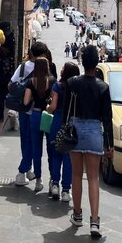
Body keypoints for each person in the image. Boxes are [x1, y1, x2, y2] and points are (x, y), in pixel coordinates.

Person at [63, 45, 114, 239]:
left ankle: (77, 215)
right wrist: (110, 144)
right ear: (97, 63)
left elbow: (66, 111)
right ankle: (94, 221)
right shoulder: (103, 87)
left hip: (75, 130)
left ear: (83, 63)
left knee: (77, 175)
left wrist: (63, 131)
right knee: (93, 177)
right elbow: (107, 118)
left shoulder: (72, 83)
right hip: (94, 131)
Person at [10, 41, 51, 186]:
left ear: (31, 53)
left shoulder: (23, 67)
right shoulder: (47, 68)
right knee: (36, 143)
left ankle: (25, 169)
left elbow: (11, 84)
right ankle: (25, 170)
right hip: (40, 112)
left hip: (25, 111)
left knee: (26, 141)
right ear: (44, 54)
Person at [47, 61, 80, 202]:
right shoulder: (77, 88)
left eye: (63, 68)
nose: (61, 70)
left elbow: (53, 106)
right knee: (68, 158)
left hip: (57, 121)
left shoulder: (57, 86)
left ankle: (55, 184)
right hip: (71, 123)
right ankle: (66, 190)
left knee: (56, 153)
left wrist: (47, 108)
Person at [23, 57, 55, 192]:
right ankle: (53, 180)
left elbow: (25, 102)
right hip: (48, 115)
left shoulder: (31, 82)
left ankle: (38, 180)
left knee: (36, 149)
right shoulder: (52, 81)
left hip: (35, 115)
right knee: (51, 149)